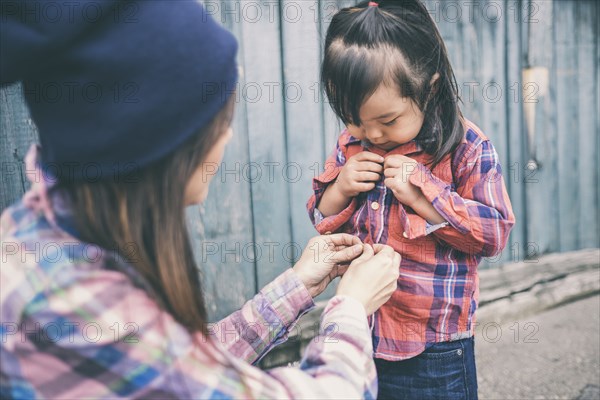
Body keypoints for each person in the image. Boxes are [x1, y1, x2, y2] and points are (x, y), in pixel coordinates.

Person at [0, 1, 401, 398]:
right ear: (168, 145)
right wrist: (350, 306)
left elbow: (188, 366)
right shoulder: (84, 312)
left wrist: (298, 284)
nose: (226, 137)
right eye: (219, 122)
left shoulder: (38, 238)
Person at [307, 1, 516, 399]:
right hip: (361, 334)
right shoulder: (351, 145)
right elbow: (323, 212)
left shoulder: (467, 148)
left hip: (434, 346)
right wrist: (341, 187)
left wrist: (426, 198)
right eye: (355, 119)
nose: (374, 134)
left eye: (388, 121)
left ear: (429, 86)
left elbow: (494, 233)